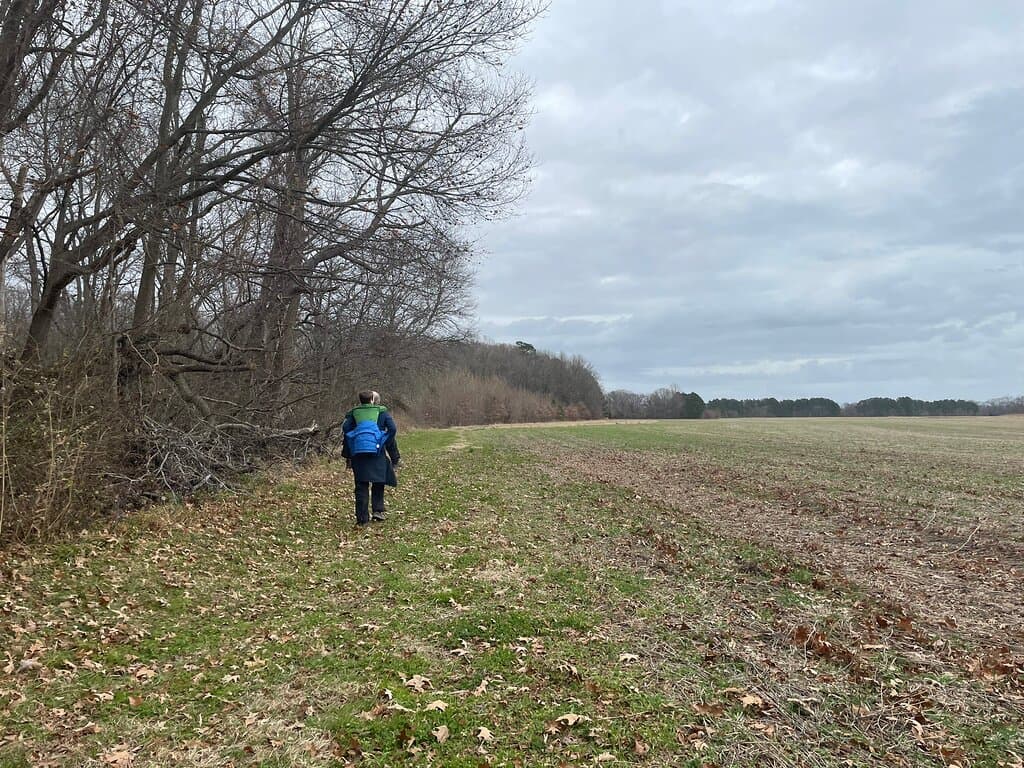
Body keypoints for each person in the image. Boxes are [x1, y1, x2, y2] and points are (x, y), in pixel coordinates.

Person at [341, 390, 400, 526]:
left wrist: (352, 443)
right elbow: (392, 428)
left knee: (361, 485)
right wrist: (384, 439)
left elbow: (346, 428)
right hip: (377, 452)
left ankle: (362, 518)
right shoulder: (382, 412)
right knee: (378, 481)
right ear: (373, 400)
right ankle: (378, 511)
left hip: (359, 454)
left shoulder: (355, 414)